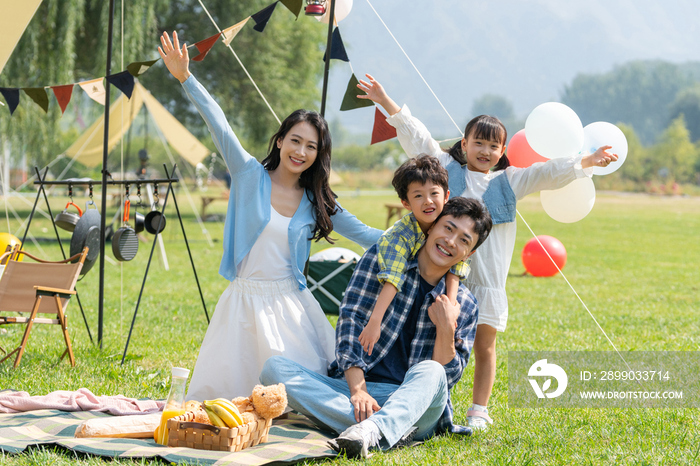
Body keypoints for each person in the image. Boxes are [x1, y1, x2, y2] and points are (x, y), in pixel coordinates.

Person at [357, 74, 618, 429]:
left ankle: (479, 408)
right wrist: (385, 101)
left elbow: (547, 173)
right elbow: (416, 135)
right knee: (433, 337)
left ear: (502, 151)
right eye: (478, 143)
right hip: (442, 278)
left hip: (487, 282)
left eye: (493, 146)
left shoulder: (509, 181)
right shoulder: (446, 170)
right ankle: (429, 396)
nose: (485, 151)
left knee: (485, 345)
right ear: (463, 144)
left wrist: (586, 161)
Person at [158, 32, 383, 400]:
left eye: (312, 146)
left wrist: (424, 230)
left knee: (298, 401)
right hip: (243, 304)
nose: (301, 151)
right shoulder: (249, 175)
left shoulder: (316, 200)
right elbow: (220, 125)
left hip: (291, 306)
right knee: (227, 400)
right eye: (295, 140)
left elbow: (368, 235)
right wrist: (186, 78)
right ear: (280, 141)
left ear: (318, 156)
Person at [261, 197, 493, 458]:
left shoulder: (465, 304)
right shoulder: (383, 261)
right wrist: (358, 391)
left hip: (414, 401)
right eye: (448, 228)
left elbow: (444, 380)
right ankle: (381, 429)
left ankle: (369, 426)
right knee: (274, 371)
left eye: (464, 240)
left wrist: (447, 325)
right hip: (358, 387)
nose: (451, 242)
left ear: (470, 253)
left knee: (432, 370)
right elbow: (350, 322)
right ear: (431, 226)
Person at [358, 155, 469, 356]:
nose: (428, 201)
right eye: (418, 196)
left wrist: (450, 306)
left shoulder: (450, 223)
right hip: (396, 294)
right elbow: (393, 277)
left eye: (434, 193)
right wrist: (374, 323)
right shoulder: (399, 236)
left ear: (446, 196)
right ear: (405, 203)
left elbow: (458, 262)